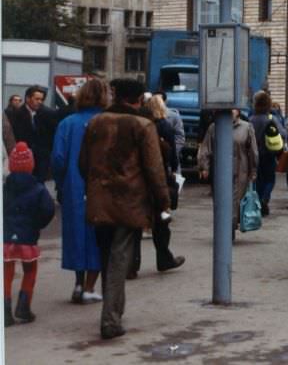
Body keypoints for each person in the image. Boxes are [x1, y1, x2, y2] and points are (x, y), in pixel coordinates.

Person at [79, 78, 172, 340]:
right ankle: (110, 319)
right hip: (129, 200)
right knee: (120, 258)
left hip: (100, 200)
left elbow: (82, 163)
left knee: (108, 255)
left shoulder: (96, 122)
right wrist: (162, 201)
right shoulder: (143, 125)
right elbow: (154, 169)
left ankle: (114, 311)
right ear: (138, 100)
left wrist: (95, 186)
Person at [51, 78, 109, 305]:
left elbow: (57, 158)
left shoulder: (67, 123)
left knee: (76, 235)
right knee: (98, 237)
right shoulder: (108, 122)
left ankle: (77, 282)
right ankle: (90, 287)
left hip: (74, 186)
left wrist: (61, 182)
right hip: (102, 188)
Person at [128, 96, 185, 278]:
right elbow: (171, 156)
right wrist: (173, 171)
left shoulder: (135, 126)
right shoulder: (164, 126)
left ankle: (131, 264)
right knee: (162, 221)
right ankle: (164, 258)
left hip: (136, 180)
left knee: (135, 223)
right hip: (158, 180)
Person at [3, 142, 55, 326]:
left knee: (6, 272)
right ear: (30, 165)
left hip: (6, 237)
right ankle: (23, 307)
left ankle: (5, 310)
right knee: (30, 270)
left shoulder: (5, 188)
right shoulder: (38, 188)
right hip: (28, 237)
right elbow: (48, 210)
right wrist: (37, 224)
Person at [197, 109, 258, 235]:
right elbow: (206, 148)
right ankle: (225, 228)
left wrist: (253, 170)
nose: (231, 111)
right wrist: (204, 167)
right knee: (220, 201)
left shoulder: (246, 127)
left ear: (238, 111)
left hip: (240, 170)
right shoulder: (214, 128)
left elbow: (253, 151)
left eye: (234, 109)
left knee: (235, 202)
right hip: (219, 172)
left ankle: (230, 228)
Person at [250, 91, 287, 216]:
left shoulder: (251, 120)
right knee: (269, 179)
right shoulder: (271, 119)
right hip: (269, 154)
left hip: (255, 154)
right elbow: (283, 134)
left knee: (258, 179)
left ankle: (258, 200)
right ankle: (265, 198)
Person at [10, 86, 56, 182]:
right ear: (27, 98)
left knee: (39, 184)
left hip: (42, 158)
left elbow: (51, 135)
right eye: (37, 99)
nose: (40, 102)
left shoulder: (47, 113)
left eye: (42, 99)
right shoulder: (17, 114)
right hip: (24, 158)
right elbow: (15, 135)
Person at [154, 91, 185, 173]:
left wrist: (172, 152)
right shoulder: (148, 116)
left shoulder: (173, 116)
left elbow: (180, 137)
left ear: (165, 101)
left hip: (170, 160)